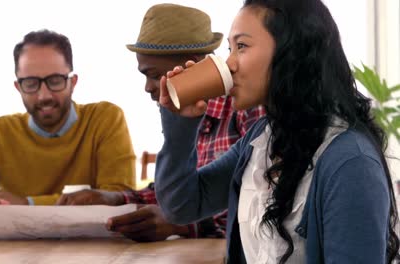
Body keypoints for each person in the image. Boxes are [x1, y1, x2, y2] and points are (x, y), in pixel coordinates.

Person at [154, 0, 400, 263]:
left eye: (242, 46)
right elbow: (182, 205)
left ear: (292, 52)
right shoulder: (262, 140)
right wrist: (180, 123)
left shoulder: (351, 163)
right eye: (230, 48)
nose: (229, 64)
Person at [57, 3, 265, 242]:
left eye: (154, 75)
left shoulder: (249, 110)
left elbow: (257, 205)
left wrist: (184, 226)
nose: (147, 88)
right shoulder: (184, 120)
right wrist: (115, 199)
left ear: (191, 65)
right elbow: (178, 194)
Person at [0, 29, 136, 212]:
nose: (43, 96)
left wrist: (27, 203)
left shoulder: (104, 119)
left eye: (55, 81)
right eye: (31, 83)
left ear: (72, 82)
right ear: (18, 87)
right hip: (11, 250)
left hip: (93, 249)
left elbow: (119, 198)